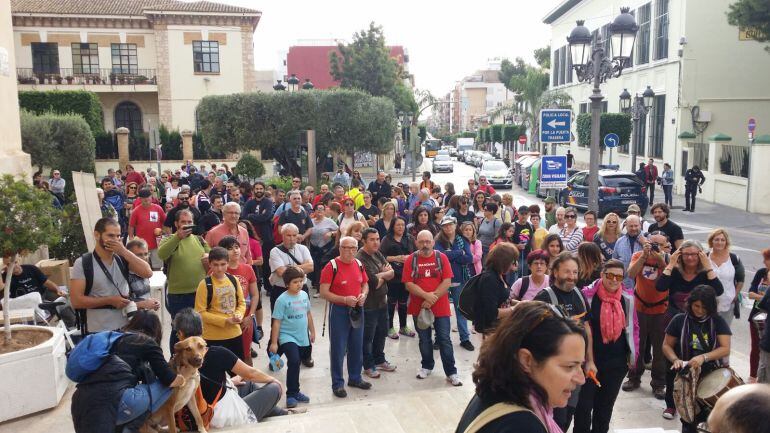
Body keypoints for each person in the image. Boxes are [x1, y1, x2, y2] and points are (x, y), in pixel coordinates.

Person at [455, 302, 587, 433]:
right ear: (526, 360)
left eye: (581, 365)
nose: (581, 379)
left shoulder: (492, 391)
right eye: (570, 366)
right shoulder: (522, 426)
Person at [70, 311, 185, 433]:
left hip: (80, 399)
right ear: (156, 330)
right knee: (165, 387)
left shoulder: (115, 337)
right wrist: (182, 379)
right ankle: (131, 428)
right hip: (114, 400)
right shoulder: (148, 342)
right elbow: (169, 379)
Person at [173, 308, 287, 422]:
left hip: (199, 415)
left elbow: (203, 386)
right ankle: (283, 414)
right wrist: (274, 380)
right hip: (223, 418)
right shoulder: (217, 353)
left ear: (180, 334)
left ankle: (282, 413)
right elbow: (251, 373)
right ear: (203, 329)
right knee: (275, 388)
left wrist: (231, 382)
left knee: (247, 384)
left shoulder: (177, 361)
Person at [573, 260, 638, 433]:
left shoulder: (628, 299)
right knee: (583, 408)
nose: (614, 280)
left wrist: (633, 356)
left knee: (605, 408)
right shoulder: (586, 296)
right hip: (589, 361)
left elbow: (633, 328)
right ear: (602, 275)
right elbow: (579, 329)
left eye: (619, 276)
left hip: (616, 362)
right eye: (610, 275)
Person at [533, 252, 595, 431]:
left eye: (575, 272)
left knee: (569, 414)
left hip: (576, 368)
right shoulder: (544, 298)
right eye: (567, 272)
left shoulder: (578, 294)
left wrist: (590, 361)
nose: (572, 277)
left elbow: (587, 328)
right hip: (555, 372)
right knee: (556, 418)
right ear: (555, 272)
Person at [662, 286, 731, 429]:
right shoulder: (679, 320)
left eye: (704, 308)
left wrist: (703, 357)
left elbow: (725, 348)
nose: (699, 310)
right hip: (684, 375)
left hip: (709, 375)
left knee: (708, 419)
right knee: (688, 420)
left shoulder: (717, 321)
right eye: (696, 306)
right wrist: (675, 359)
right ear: (690, 303)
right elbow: (666, 345)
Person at [70, 217, 153, 333]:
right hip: (99, 330)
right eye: (110, 236)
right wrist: (109, 300)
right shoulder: (83, 263)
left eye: (118, 236)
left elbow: (148, 273)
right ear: (97, 235)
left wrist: (123, 251)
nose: (115, 240)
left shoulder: (122, 258)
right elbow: (76, 301)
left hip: (127, 326)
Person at [403, 230, 462, 386]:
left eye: (428, 241)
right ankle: (426, 366)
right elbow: (408, 284)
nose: (425, 245)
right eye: (421, 242)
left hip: (440, 306)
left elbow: (447, 281)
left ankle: (451, 372)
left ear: (433, 242)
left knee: (444, 339)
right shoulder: (411, 259)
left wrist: (431, 298)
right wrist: (426, 296)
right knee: (424, 339)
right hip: (419, 307)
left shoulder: (441, 257)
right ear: (416, 243)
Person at [319, 236, 372, 397]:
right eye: (345, 248)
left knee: (357, 345)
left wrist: (363, 294)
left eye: (352, 248)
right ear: (340, 248)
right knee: (338, 348)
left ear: (357, 249)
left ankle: (355, 377)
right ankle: (338, 383)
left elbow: (365, 283)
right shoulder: (331, 266)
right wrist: (344, 299)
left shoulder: (359, 264)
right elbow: (323, 292)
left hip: (357, 308)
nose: (349, 251)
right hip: (339, 311)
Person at [622, 231, 671, 398]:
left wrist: (659, 258)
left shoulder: (669, 259)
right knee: (637, 346)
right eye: (653, 243)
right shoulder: (638, 255)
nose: (656, 247)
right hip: (640, 307)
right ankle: (634, 377)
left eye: (660, 244)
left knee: (659, 349)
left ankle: (658, 383)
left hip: (660, 310)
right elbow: (630, 274)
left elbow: (669, 277)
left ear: (666, 246)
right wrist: (644, 256)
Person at [158, 209, 210, 350]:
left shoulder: (199, 240)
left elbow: (212, 256)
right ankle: (176, 359)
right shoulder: (169, 239)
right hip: (178, 295)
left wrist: (208, 257)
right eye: (183, 222)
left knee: (199, 329)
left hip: (200, 293)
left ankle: (197, 358)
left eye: (189, 222)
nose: (187, 225)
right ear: (176, 224)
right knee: (178, 330)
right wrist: (177, 237)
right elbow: (162, 254)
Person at [269, 266, 314, 408]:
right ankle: (291, 394)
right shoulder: (282, 300)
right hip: (286, 336)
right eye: (295, 282)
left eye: (301, 281)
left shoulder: (304, 295)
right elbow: (276, 322)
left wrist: (312, 331)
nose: (299, 284)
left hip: (302, 335)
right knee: (294, 361)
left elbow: (308, 314)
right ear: (287, 284)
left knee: (297, 363)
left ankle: (296, 391)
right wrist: (274, 342)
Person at [357, 228, 397, 378]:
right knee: (368, 337)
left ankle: (379, 360)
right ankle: (368, 365)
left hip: (382, 302)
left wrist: (382, 274)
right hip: (369, 305)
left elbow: (392, 273)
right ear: (364, 241)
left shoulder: (377, 253)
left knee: (382, 333)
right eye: (372, 239)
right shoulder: (360, 258)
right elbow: (373, 283)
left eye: (377, 239)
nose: (376, 242)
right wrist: (383, 274)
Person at [194, 246, 246, 360]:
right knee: (214, 376)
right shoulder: (204, 284)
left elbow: (241, 303)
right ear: (210, 264)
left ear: (228, 263)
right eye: (216, 265)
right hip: (213, 336)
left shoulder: (233, 280)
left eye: (223, 264)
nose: (219, 268)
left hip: (234, 333)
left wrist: (239, 314)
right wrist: (225, 321)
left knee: (239, 375)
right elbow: (200, 312)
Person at [434, 216, 475, 351]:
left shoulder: (463, 240)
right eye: (445, 225)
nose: (448, 228)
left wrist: (450, 255)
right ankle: (439, 338)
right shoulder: (438, 240)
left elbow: (469, 258)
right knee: (441, 311)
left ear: (455, 225)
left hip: (459, 279)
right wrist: (458, 253)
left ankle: (465, 339)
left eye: (450, 225)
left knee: (460, 310)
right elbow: (440, 257)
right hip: (442, 281)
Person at [217, 236, 259, 366]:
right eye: (230, 248)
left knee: (246, 353)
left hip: (245, 317)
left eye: (236, 247)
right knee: (226, 355)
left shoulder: (247, 269)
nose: (235, 251)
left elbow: (255, 295)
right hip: (225, 318)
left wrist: (250, 316)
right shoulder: (217, 270)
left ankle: (249, 384)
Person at [656, 240, 724, 317]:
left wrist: (708, 266)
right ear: (680, 255)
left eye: (694, 254)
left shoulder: (706, 274)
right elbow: (660, 287)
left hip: (699, 318)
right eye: (686, 254)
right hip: (675, 317)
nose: (690, 257)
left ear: (701, 255)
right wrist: (671, 264)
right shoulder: (674, 271)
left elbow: (719, 291)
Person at [380, 217, 417, 339]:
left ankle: (403, 326)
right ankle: (389, 327)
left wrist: (409, 257)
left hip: (406, 275)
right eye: (398, 225)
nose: (401, 227)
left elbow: (416, 253)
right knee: (391, 302)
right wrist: (396, 258)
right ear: (393, 226)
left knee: (403, 302)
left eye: (402, 225)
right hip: (392, 275)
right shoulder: (387, 239)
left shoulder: (410, 238)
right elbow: (381, 256)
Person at [472, 243, 520, 335]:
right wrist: (515, 309)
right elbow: (492, 313)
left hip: (501, 328)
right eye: (512, 261)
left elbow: (502, 299)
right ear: (504, 261)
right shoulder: (490, 279)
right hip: (491, 330)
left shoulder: (500, 274)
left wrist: (520, 303)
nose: (514, 264)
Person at [706, 228, 744, 327]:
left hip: (727, 303)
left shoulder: (734, 259)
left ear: (726, 242)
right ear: (711, 241)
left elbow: (741, 279)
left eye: (722, 240)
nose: (719, 242)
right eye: (717, 239)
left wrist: (735, 295)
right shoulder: (705, 257)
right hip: (706, 303)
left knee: (723, 334)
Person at [128, 188, 166, 269]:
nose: (146, 199)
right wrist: (131, 238)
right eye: (143, 198)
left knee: (158, 267)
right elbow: (131, 226)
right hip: (142, 245)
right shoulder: (136, 211)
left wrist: (163, 232)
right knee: (143, 267)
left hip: (157, 243)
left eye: (148, 197)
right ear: (140, 199)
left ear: (151, 197)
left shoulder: (158, 208)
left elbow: (164, 222)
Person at [747, 248, 770, 383]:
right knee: (756, 347)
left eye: (766, 259)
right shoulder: (761, 273)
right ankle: (752, 376)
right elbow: (750, 293)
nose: (764, 262)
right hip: (757, 316)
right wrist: (763, 297)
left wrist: (760, 297)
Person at [124, 239, 161, 312]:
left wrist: (153, 303)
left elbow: (144, 297)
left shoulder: (144, 272)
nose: (144, 257)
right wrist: (142, 304)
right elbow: (120, 306)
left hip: (145, 317)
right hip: (132, 320)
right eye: (139, 255)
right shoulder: (124, 276)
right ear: (129, 256)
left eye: (146, 254)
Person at [612, 215, 646, 289]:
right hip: (625, 285)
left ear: (640, 225)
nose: (634, 228)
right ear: (626, 226)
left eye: (636, 225)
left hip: (644, 287)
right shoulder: (620, 241)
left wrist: (645, 244)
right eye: (631, 226)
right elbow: (614, 262)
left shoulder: (649, 238)